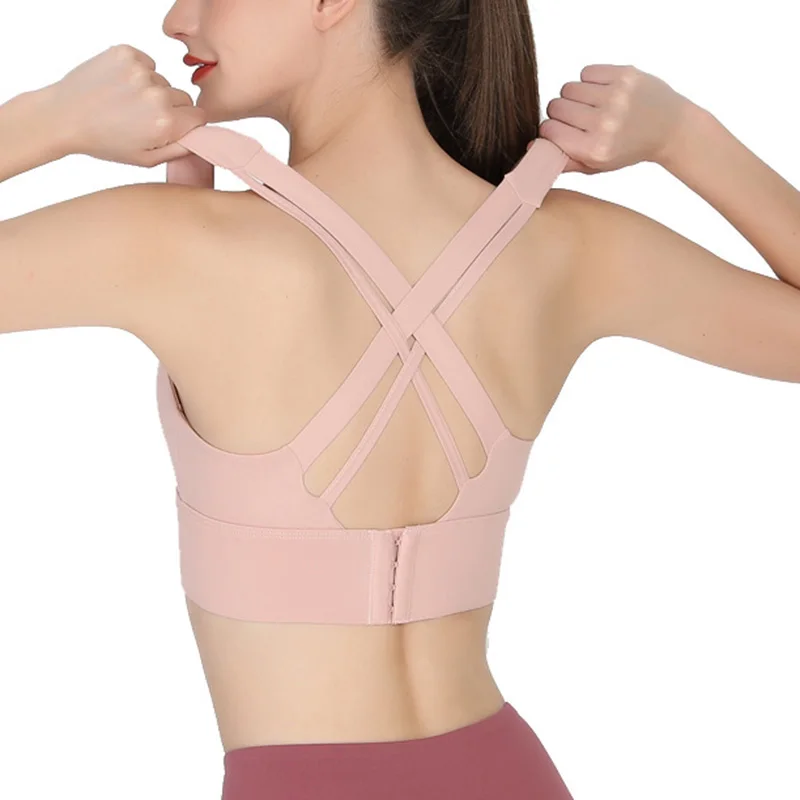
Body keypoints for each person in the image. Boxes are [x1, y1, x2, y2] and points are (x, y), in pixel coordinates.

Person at [2, 0, 799, 797]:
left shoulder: (176, 246)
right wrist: (687, 137)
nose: (179, 18)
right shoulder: (565, 247)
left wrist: (50, 120)